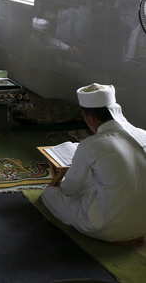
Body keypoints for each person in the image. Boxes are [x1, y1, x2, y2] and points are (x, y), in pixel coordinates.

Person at [41, 83, 146, 242]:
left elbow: (70, 189)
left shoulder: (93, 144)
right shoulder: (142, 135)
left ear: (89, 117)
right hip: (142, 226)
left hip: (107, 227)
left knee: (50, 195)